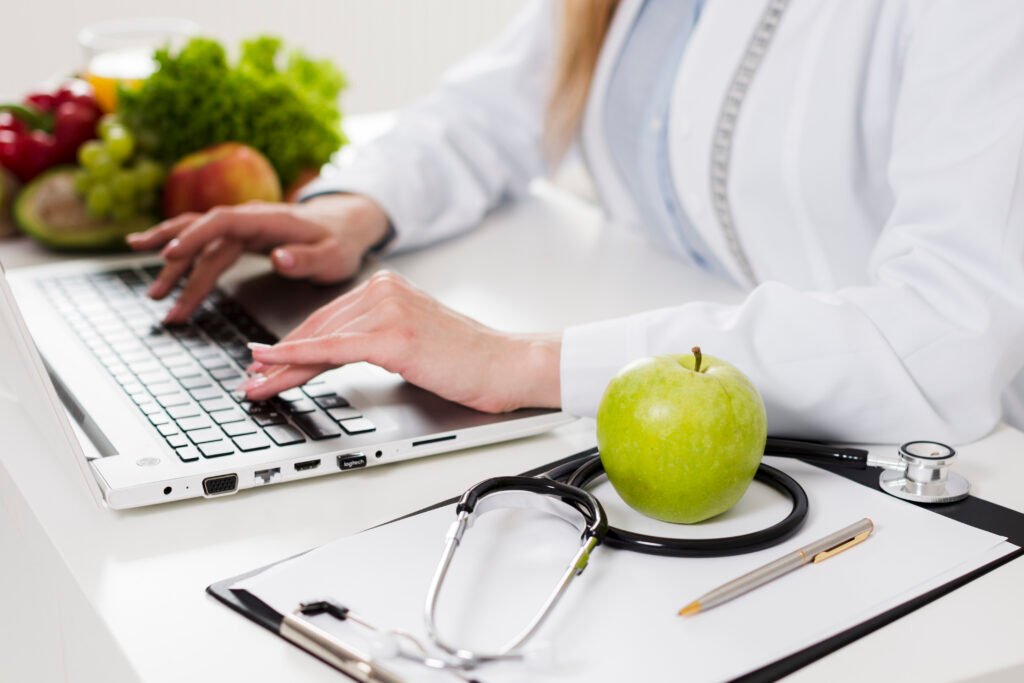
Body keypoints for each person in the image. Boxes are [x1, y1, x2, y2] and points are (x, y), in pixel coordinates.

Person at [127, 0, 1024, 444]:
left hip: (943, 457)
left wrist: (520, 362)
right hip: (724, 386)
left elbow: (947, 330)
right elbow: (499, 107)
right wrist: (351, 210)